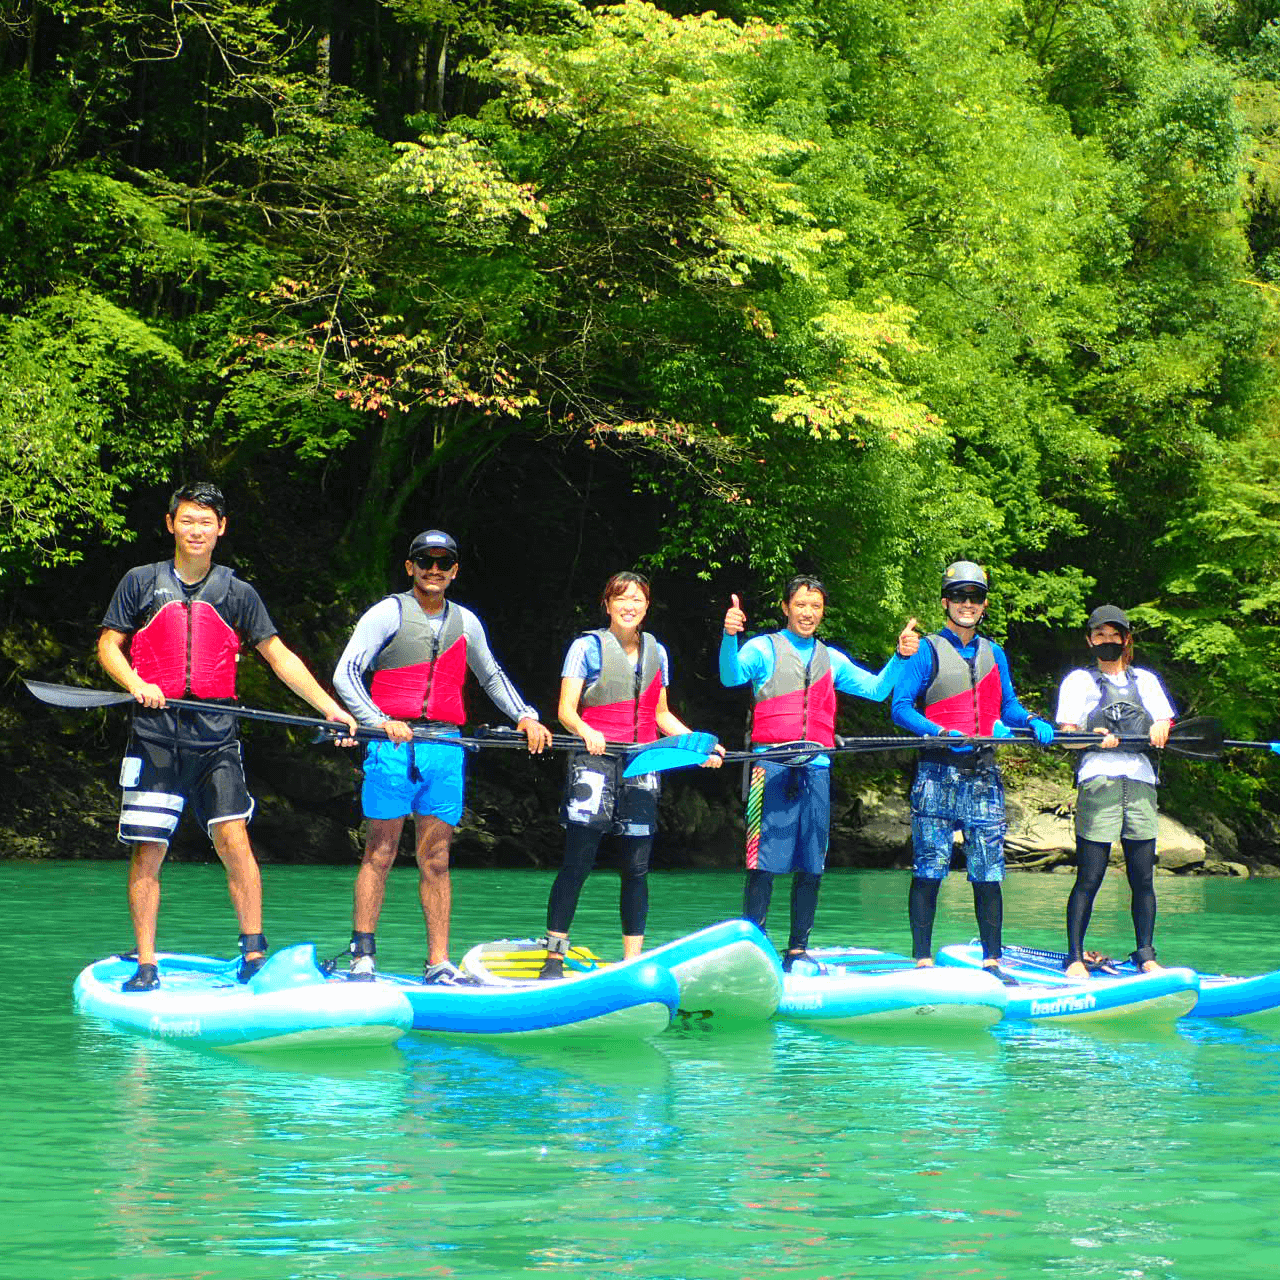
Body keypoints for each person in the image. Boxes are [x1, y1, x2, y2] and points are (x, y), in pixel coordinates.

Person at [97, 481, 358, 993]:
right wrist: (136, 683)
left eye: (206, 522)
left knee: (234, 839)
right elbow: (109, 645)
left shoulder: (238, 593)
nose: (196, 530)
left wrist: (332, 710)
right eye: (187, 520)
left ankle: (253, 954)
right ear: (172, 524)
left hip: (216, 735)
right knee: (149, 848)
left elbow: (279, 657)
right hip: (155, 733)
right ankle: (146, 963)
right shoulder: (140, 582)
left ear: (221, 528)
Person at [333, 529, 552, 984]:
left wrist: (527, 717)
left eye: (443, 563)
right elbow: (346, 672)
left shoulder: (467, 623)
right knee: (381, 850)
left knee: (436, 859)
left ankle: (438, 962)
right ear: (410, 566)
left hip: (445, 748)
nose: (434, 570)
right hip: (392, 744)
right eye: (425, 561)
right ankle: (362, 955)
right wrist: (376, 718)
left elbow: (492, 677)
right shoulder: (387, 613)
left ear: (454, 571)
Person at [720, 576, 921, 971]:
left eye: (815, 606)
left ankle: (797, 949)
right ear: (785, 607)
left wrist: (900, 656)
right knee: (762, 864)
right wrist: (730, 636)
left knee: (812, 864)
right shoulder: (763, 648)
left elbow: (878, 689)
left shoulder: (833, 659)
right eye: (800, 605)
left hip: (817, 769)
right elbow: (730, 676)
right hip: (772, 768)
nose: (808, 613)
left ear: (822, 612)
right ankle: (756, 946)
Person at [539, 572, 723, 978]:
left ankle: (632, 960)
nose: (630, 605)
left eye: (637, 599)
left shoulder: (658, 652)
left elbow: (661, 716)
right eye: (621, 598)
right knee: (578, 862)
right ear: (607, 604)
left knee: (637, 867)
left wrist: (699, 745)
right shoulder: (585, 648)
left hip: (642, 764)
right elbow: (566, 712)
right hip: (595, 764)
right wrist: (588, 732)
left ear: (646, 606)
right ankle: (554, 955)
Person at [890, 561, 1055, 983]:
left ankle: (992, 961)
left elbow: (1009, 708)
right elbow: (901, 707)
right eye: (959, 596)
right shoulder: (925, 649)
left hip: (983, 774)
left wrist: (1031, 721)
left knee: (988, 869)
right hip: (936, 772)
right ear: (946, 602)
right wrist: (939, 732)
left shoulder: (993, 653)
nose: (967, 604)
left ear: (983, 605)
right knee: (930, 866)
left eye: (975, 597)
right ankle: (922, 960)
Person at [1055, 605, 1174, 977]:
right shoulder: (1079, 681)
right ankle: (1075, 957)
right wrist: (1092, 738)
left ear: (1125, 639)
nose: (1108, 641)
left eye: (1114, 635)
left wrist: (1162, 728)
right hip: (1098, 780)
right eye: (1100, 635)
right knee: (1090, 876)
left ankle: (1145, 954)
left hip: (1139, 781)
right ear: (1090, 639)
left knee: (1143, 878)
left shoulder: (1147, 682)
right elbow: (1066, 736)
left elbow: (1163, 719)